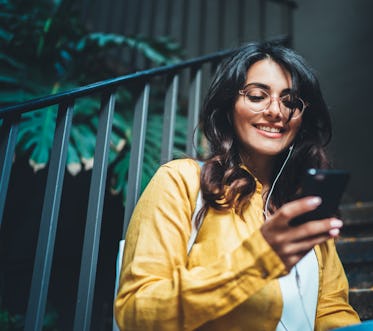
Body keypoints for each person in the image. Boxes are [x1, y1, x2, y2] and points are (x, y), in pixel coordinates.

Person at [114, 41, 360, 330]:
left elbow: (332, 311)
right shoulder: (180, 180)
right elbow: (135, 312)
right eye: (257, 96)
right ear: (228, 107)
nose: (276, 112)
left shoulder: (303, 204)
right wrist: (256, 260)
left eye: (290, 102)